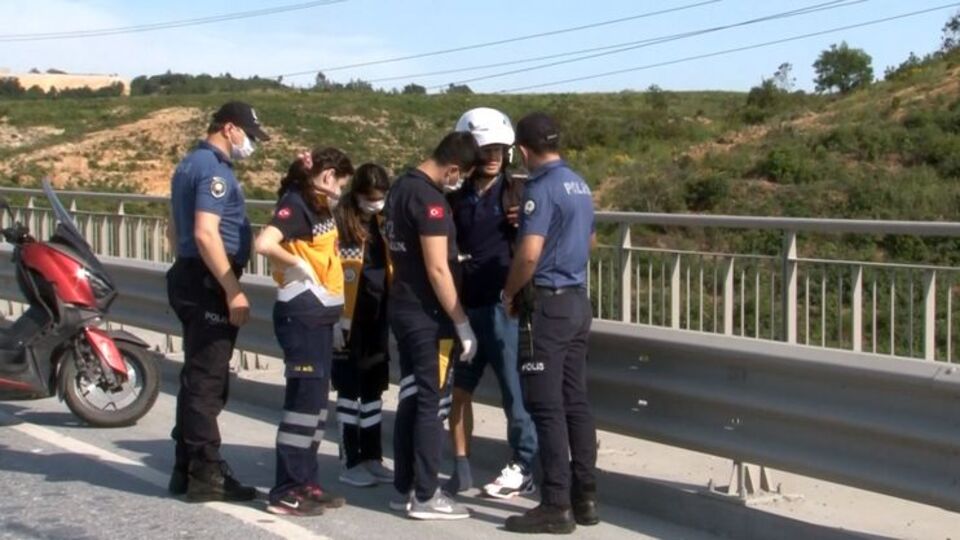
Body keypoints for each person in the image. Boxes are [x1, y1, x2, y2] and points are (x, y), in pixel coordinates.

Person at [501, 112, 599, 534]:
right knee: (575, 400)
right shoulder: (579, 183)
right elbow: (590, 239)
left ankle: (555, 502)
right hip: (578, 301)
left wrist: (509, 294)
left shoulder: (538, 189)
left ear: (522, 151)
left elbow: (528, 254)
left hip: (548, 306)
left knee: (545, 404)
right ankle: (586, 498)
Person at [166, 101, 268, 503]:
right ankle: (207, 472)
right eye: (249, 135)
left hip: (191, 274)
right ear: (230, 128)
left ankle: (184, 467)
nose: (250, 144)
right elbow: (206, 233)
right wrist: (232, 288)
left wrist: (190, 266)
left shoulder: (188, 164)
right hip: (209, 281)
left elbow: (174, 228)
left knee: (196, 374)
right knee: (209, 380)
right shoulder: (213, 171)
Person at [384, 131, 482, 520]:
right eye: (461, 176)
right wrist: (462, 322)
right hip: (429, 317)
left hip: (403, 307)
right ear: (453, 167)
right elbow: (438, 267)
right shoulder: (432, 202)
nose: (458, 183)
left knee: (411, 395)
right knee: (432, 402)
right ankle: (426, 494)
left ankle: (405, 486)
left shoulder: (400, 189)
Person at [254, 148, 354, 516]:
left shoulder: (319, 206)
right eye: (340, 184)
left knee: (315, 408)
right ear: (327, 176)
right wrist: (296, 264)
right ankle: (285, 489)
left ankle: (306, 481)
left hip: (322, 317)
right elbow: (264, 243)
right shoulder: (296, 205)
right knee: (301, 406)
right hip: (303, 315)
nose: (341, 192)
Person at [445, 107, 538, 499]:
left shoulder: (519, 193)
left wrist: (526, 224)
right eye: (486, 149)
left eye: (500, 149)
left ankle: (525, 464)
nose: (494, 156)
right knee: (459, 392)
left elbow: (542, 241)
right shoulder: (454, 198)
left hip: (505, 308)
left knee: (513, 393)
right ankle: (461, 465)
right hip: (466, 309)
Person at [331, 163, 395, 487]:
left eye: (380, 197)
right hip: (347, 316)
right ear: (357, 195)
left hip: (379, 314)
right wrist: (334, 318)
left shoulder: (385, 222)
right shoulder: (339, 221)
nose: (376, 203)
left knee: (373, 387)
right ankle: (350, 458)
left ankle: (372, 455)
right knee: (348, 388)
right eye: (370, 198)